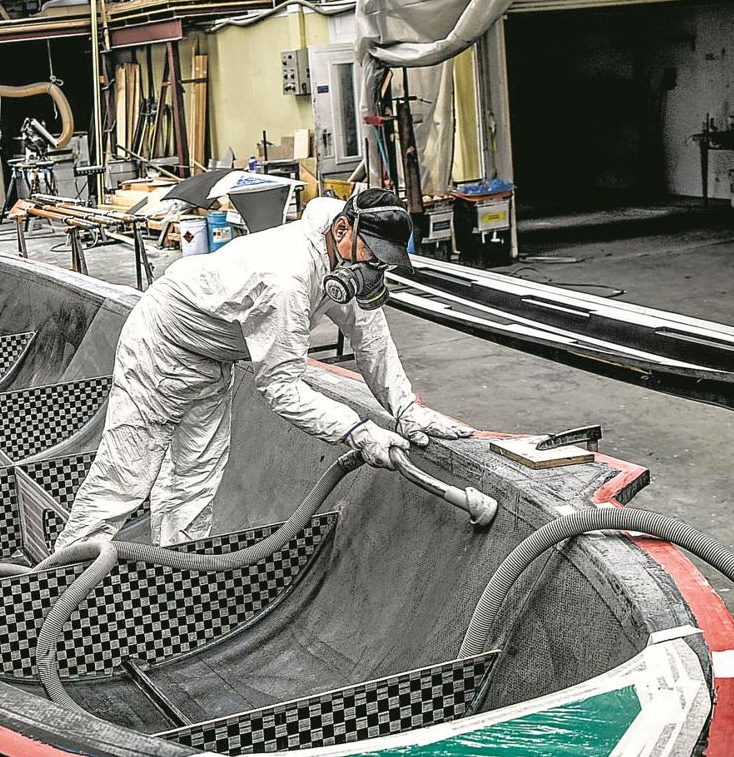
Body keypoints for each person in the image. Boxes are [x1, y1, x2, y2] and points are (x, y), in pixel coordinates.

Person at [54, 188, 472, 551]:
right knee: (126, 475)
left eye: (383, 263)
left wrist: (406, 409)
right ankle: (66, 582)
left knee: (195, 478)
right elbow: (280, 387)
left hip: (211, 356)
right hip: (161, 345)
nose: (373, 270)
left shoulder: (339, 259)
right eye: (371, 256)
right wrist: (359, 431)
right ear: (343, 230)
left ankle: (175, 574)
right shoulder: (286, 278)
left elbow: (372, 340)